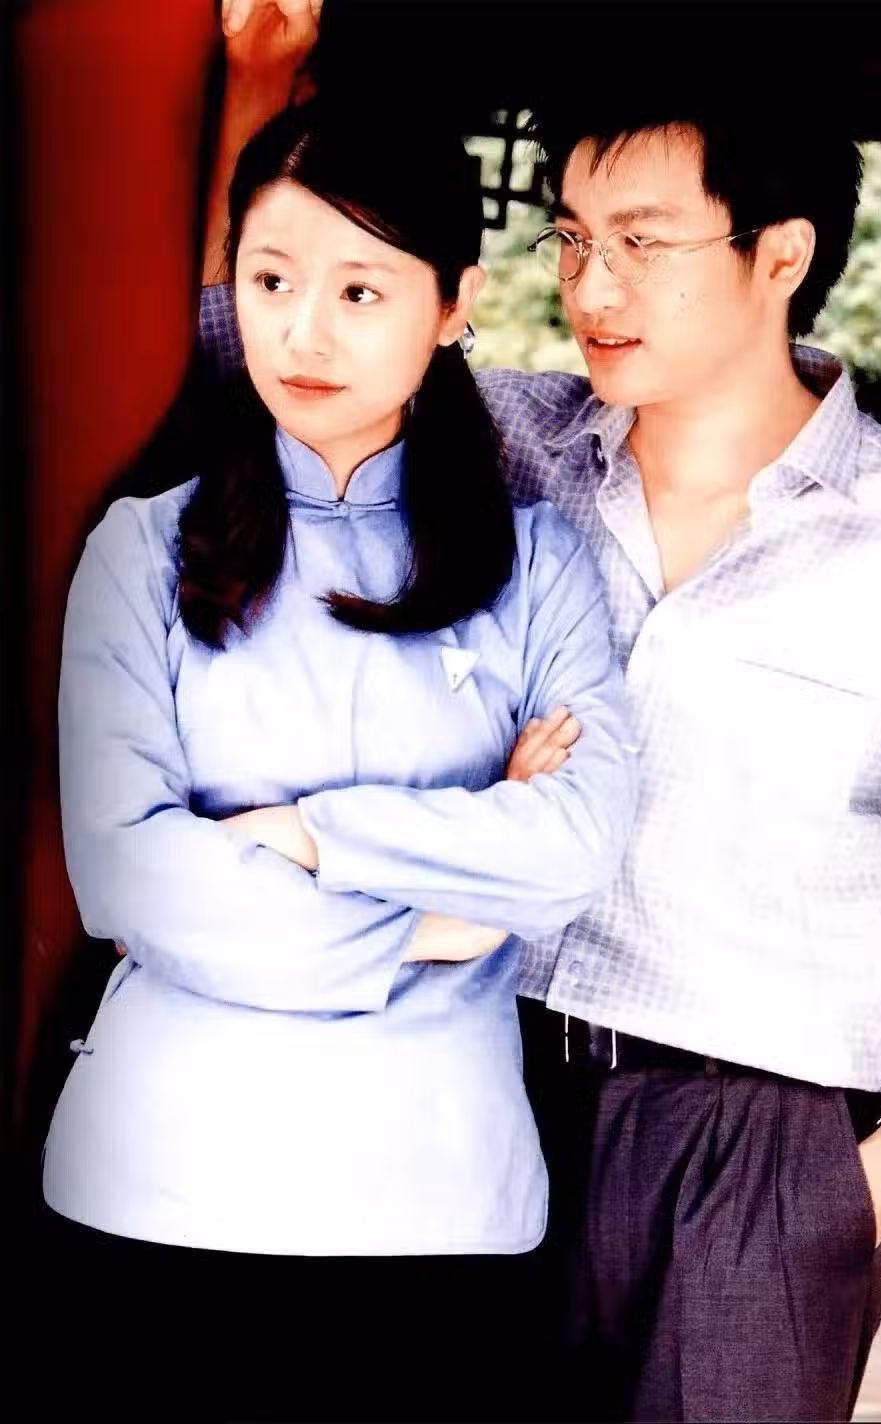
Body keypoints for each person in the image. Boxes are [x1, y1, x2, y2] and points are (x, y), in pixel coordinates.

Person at [199, 19, 881, 1420]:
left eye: (642, 243)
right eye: (571, 239)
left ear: (781, 255)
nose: (591, 286)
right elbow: (245, 347)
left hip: (749, 1157)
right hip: (467, 1082)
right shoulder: (506, 449)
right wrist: (259, 83)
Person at [29, 96, 636, 1424]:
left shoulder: (538, 566)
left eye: (360, 289)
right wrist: (445, 915)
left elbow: (578, 845)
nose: (305, 332)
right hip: (159, 1190)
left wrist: (297, 835)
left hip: (436, 1206)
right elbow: (127, 877)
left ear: (454, 303)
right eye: (272, 281)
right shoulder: (142, 550)